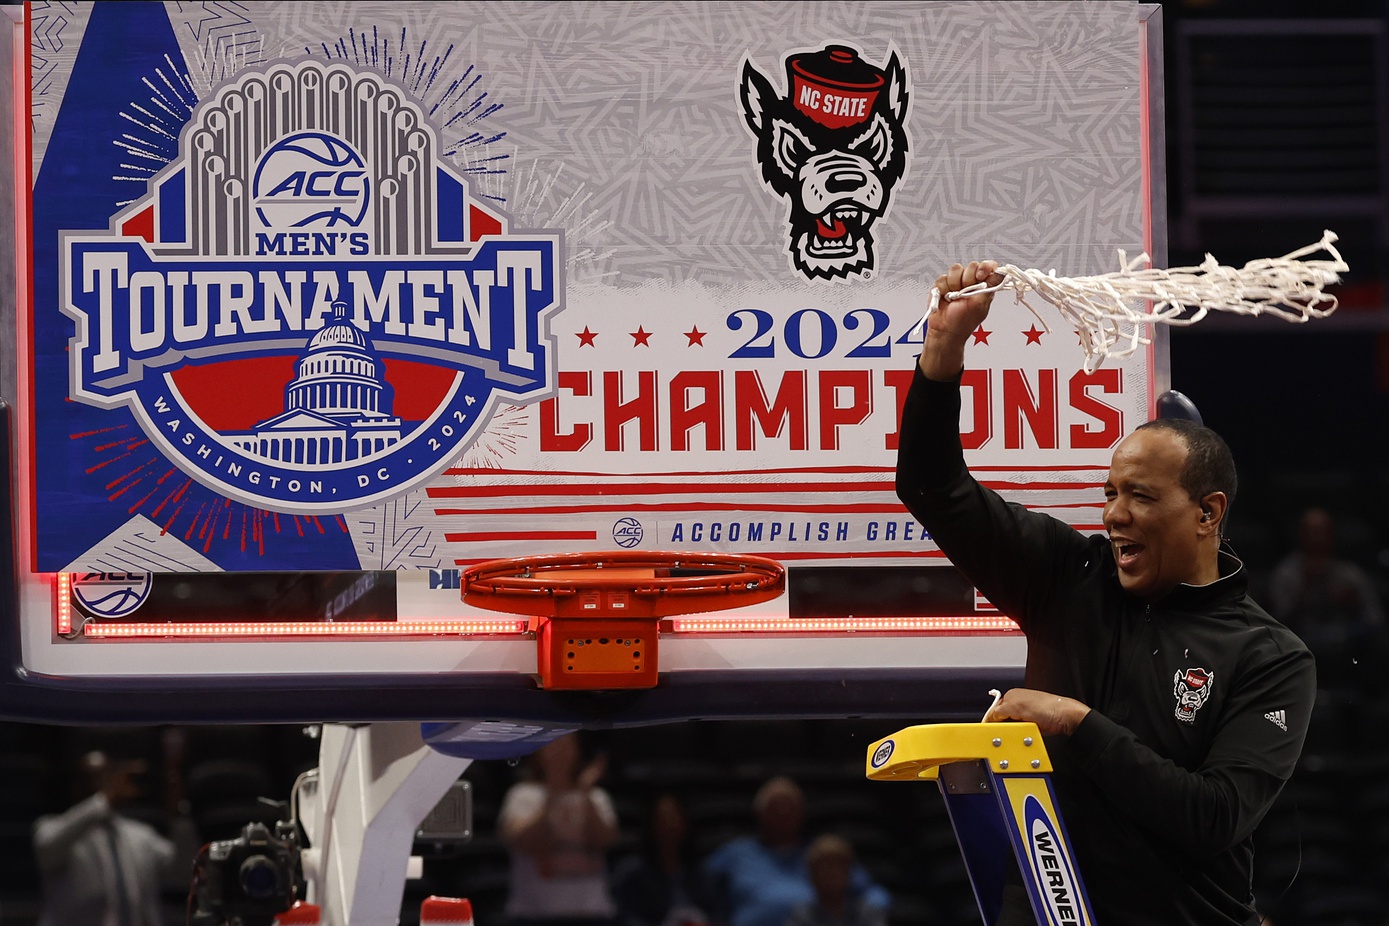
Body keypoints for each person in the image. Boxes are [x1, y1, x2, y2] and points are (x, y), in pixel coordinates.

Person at [894, 260, 1317, 925]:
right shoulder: (1069, 575)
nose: (1113, 516)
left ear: (1206, 513)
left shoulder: (1270, 657)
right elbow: (932, 489)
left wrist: (1075, 721)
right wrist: (942, 354)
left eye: (1140, 497)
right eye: (1109, 494)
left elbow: (1210, 817)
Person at [701, 777, 888, 926]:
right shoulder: (736, 853)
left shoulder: (821, 854)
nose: (783, 812)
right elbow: (697, 886)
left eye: (790, 806)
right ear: (759, 813)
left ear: (802, 813)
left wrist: (871, 913)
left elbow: (872, 893)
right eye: (775, 806)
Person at [33, 750, 178, 926]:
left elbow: (178, 865)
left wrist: (174, 806)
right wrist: (105, 800)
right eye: (91, 777)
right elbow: (47, 846)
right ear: (76, 785)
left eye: (105, 776)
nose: (100, 784)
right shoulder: (52, 827)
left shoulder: (139, 834)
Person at [498, 733, 621, 926]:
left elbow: (606, 840)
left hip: (591, 915)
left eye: (566, 745)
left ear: (577, 751)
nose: (559, 752)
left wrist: (584, 792)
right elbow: (518, 840)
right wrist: (553, 794)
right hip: (534, 917)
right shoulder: (523, 795)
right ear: (538, 752)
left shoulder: (596, 797)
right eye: (553, 745)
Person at [611, 793, 708, 926]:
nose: (669, 825)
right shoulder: (630, 873)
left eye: (674, 818)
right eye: (663, 819)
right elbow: (623, 916)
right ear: (651, 824)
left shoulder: (702, 872)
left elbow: (718, 912)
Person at [785, 835, 886, 926]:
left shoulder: (868, 913)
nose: (831, 874)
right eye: (823, 867)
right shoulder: (801, 916)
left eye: (837, 866)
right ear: (811, 876)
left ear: (848, 873)